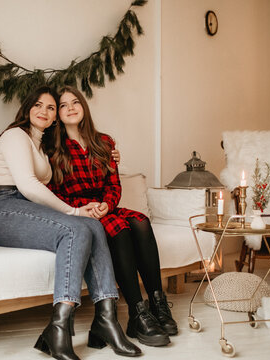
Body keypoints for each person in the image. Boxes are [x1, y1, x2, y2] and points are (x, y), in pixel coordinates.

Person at [0, 86, 141, 360]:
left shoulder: (44, 146)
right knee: (77, 227)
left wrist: (109, 160)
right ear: (28, 108)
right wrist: (74, 212)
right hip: (1, 207)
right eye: (38, 105)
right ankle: (59, 326)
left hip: (26, 208)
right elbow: (29, 186)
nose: (44, 111)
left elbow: (60, 184)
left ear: (56, 117)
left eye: (51, 108)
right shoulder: (15, 135)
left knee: (94, 225)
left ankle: (106, 318)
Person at [45, 86, 178, 347]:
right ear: (58, 114)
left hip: (105, 207)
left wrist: (107, 203)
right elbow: (52, 192)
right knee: (120, 229)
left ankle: (158, 303)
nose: (70, 108)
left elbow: (113, 184)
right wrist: (86, 208)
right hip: (79, 211)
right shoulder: (52, 149)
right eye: (63, 105)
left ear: (83, 107)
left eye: (75, 102)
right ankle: (136, 313)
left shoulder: (104, 142)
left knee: (140, 221)